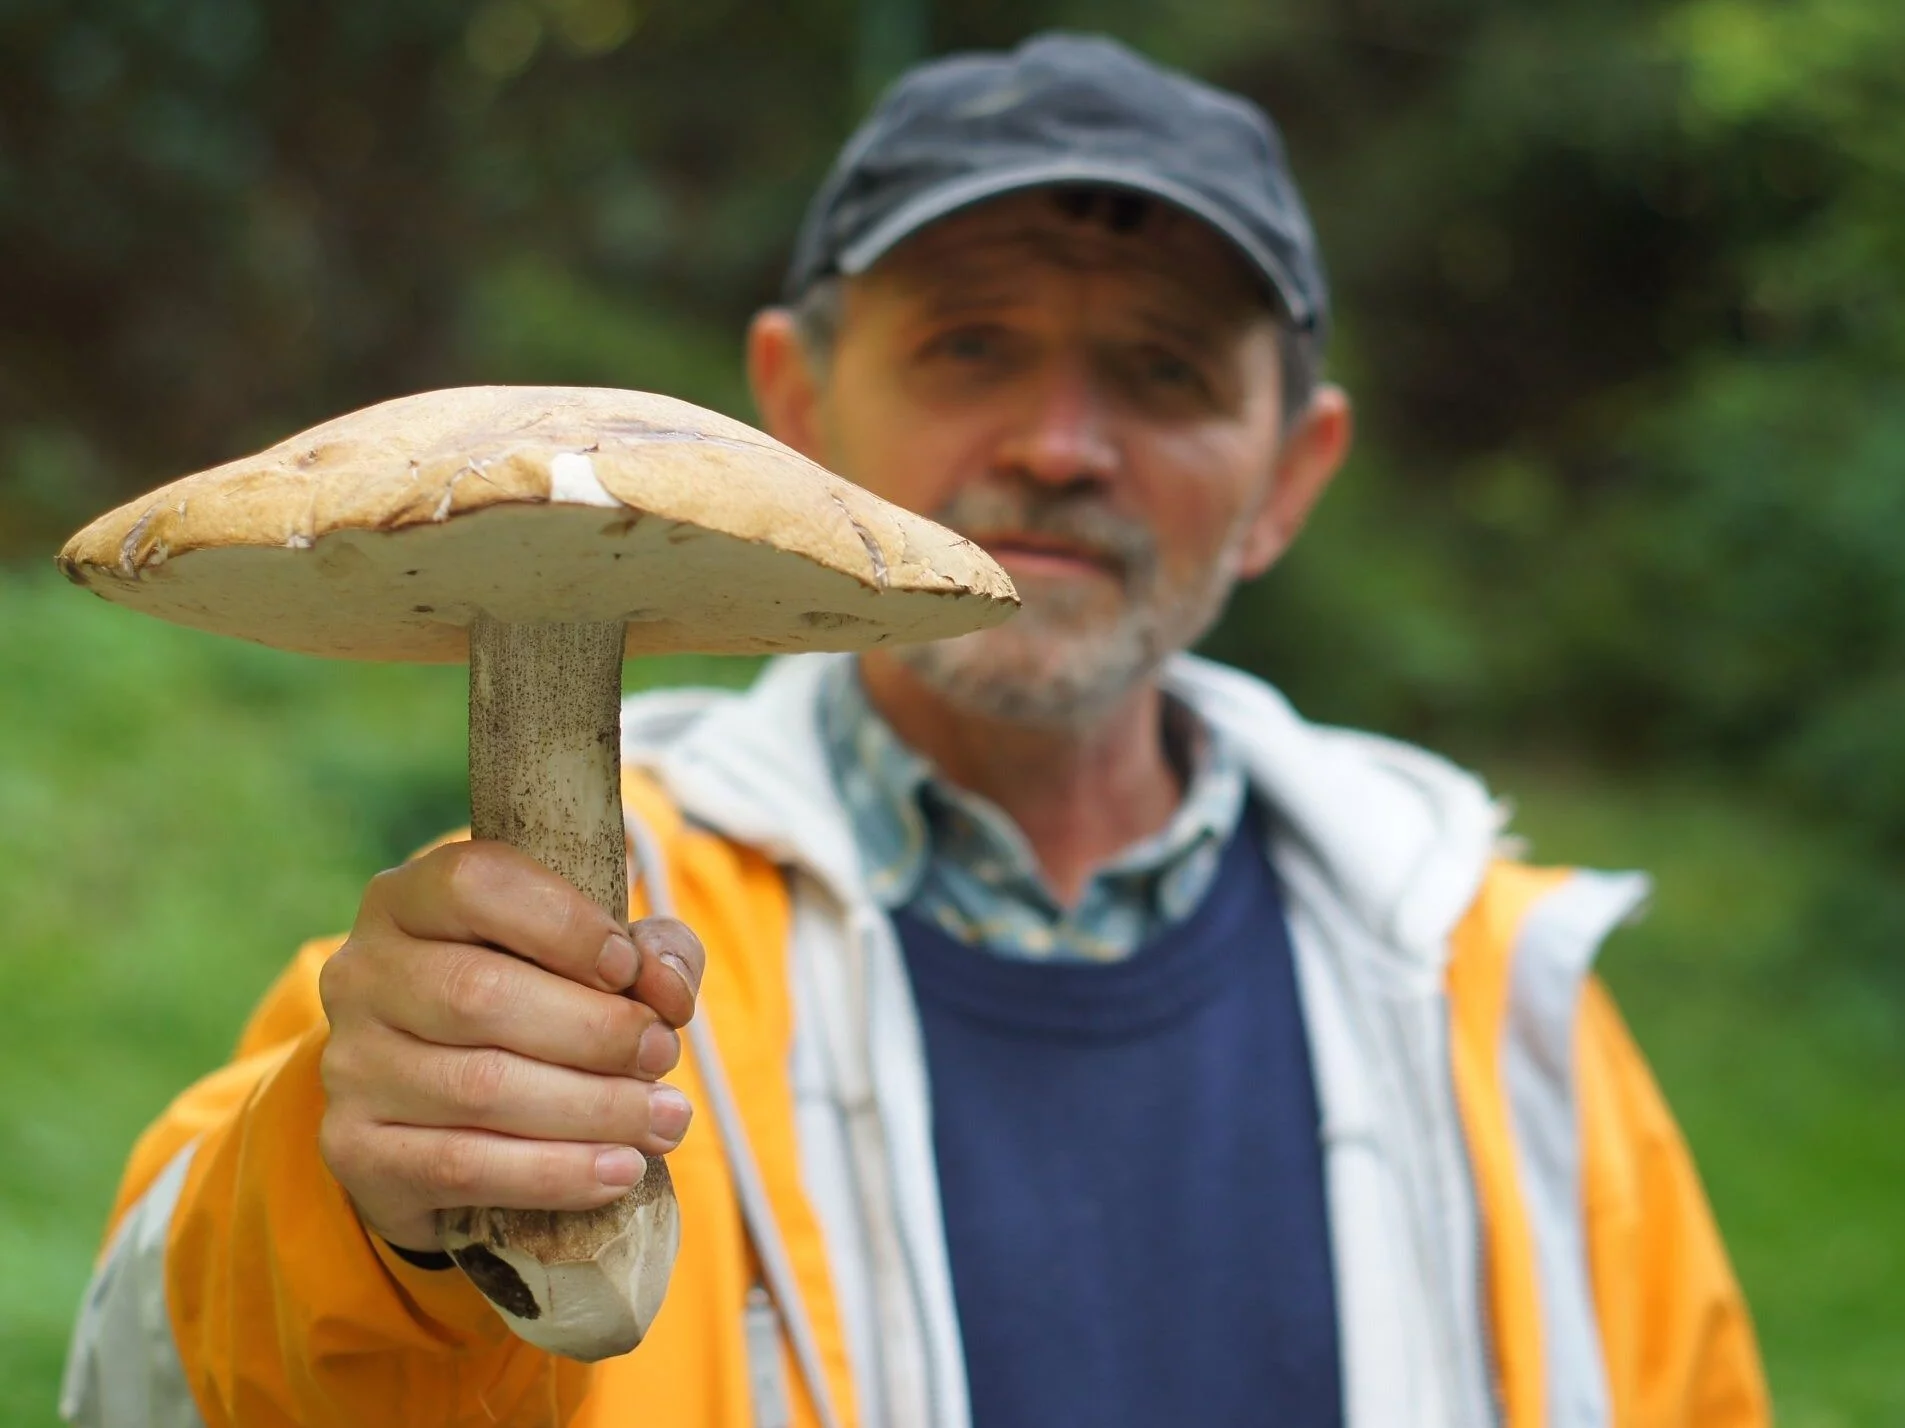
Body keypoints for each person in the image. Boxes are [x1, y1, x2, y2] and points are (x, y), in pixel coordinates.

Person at [63, 32, 1769, 1428]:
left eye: (1167, 371)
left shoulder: (1490, 984)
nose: (1062, 445)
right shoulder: (509, 962)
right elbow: (139, 1390)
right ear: (794, 405)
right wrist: (374, 1225)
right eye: (970, 343)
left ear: (1289, 477)